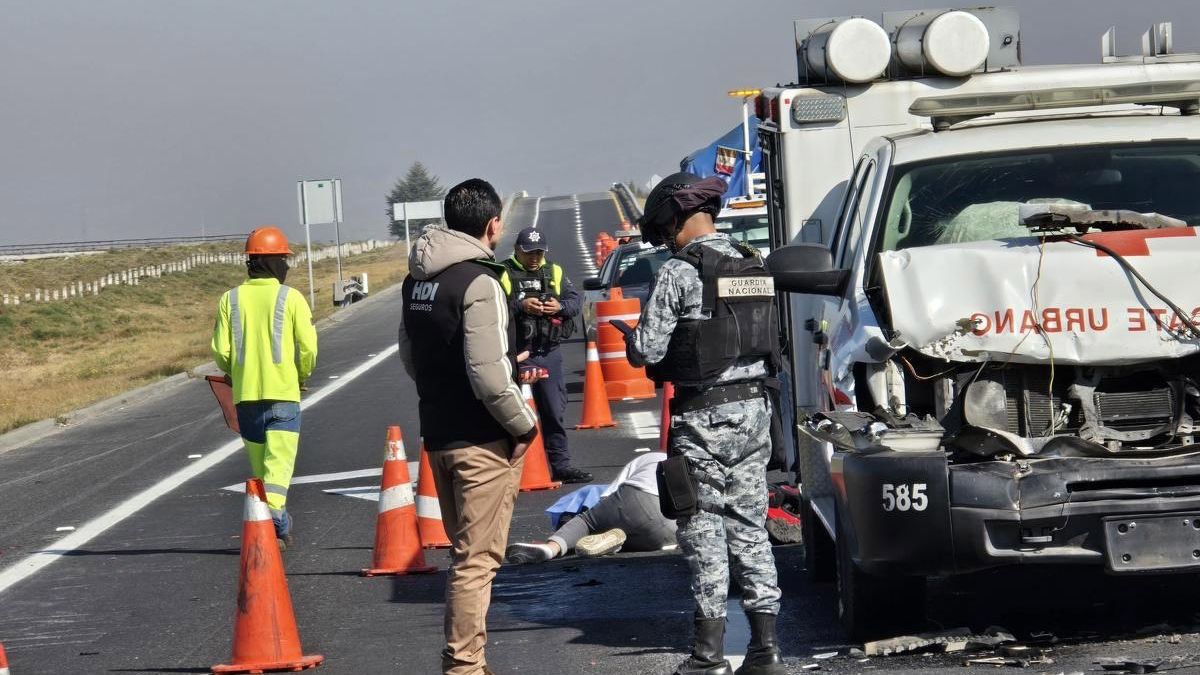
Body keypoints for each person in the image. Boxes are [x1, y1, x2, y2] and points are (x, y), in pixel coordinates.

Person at [626, 173, 786, 675]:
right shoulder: (753, 262)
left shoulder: (679, 272)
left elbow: (647, 350)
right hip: (756, 412)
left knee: (702, 530)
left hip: (703, 417)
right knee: (751, 528)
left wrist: (631, 336)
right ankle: (766, 649)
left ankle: (708, 654)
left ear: (675, 219)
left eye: (663, 229)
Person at [399, 178, 539, 675]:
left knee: (465, 555)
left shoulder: (416, 281)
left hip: (438, 434)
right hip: (482, 440)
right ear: (492, 224)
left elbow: (410, 356)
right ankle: (464, 666)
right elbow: (490, 375)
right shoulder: (481, 282)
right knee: (476, 562)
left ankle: (467, 662)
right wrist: (524, 426)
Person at [211, 225, 318, 551]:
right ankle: (275, 524)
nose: (286, 265)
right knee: (278, 470)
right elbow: (308, 348)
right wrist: (301, 375)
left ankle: (277, 528)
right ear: (272, 261)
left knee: (263, 472)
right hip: (283, 396)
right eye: (284, 259)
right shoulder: (291, 297)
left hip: (246, 399)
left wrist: (236, 373)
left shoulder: (230, 299)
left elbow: (221, 352)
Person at [500, 227, 592, 483]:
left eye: (539, 252)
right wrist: (521, 305)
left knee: (554, 412)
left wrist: (559, 306)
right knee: (512, 415)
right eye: (529, 252)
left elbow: (575, 302)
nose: (534, 257)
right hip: (517, 356)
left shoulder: (554, 271)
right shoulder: (503, 273)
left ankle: (561, 466)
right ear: (517, 250)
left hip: (549, 353)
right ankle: (509, 472)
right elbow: (493, 308)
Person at [505, 452, 676, 563]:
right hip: (670, 529)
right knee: (648, 536)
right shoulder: (687, 463)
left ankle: (551, 548)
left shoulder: (652, 457)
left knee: (587, 521)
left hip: (640, 497)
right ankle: (617, 543)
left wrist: (597, 521)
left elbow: (607, 496)